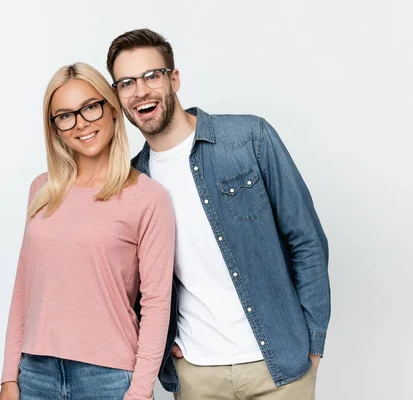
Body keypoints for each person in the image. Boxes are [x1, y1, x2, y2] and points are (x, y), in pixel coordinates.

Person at [106, 29, 330, 400]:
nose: (140, 91)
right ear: (117, 96)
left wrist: (313, 341)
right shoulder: (131, 183)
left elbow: (307, 241)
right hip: (197, 375)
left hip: (279, 366)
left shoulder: (248, 138)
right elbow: (133, 288)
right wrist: (165, 355)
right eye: (126, 82)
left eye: (151, 76)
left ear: (174, 79)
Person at [0, 62, 175, 400]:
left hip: (107, 378)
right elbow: (24, 287)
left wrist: (140, 391)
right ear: (55, 128)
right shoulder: (42, 189)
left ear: (111, 109)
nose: (81, 124)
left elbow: (156, 303)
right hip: (34, 374)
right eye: (65, 115)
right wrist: (9, 377)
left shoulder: (148, 197)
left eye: (91, 108)